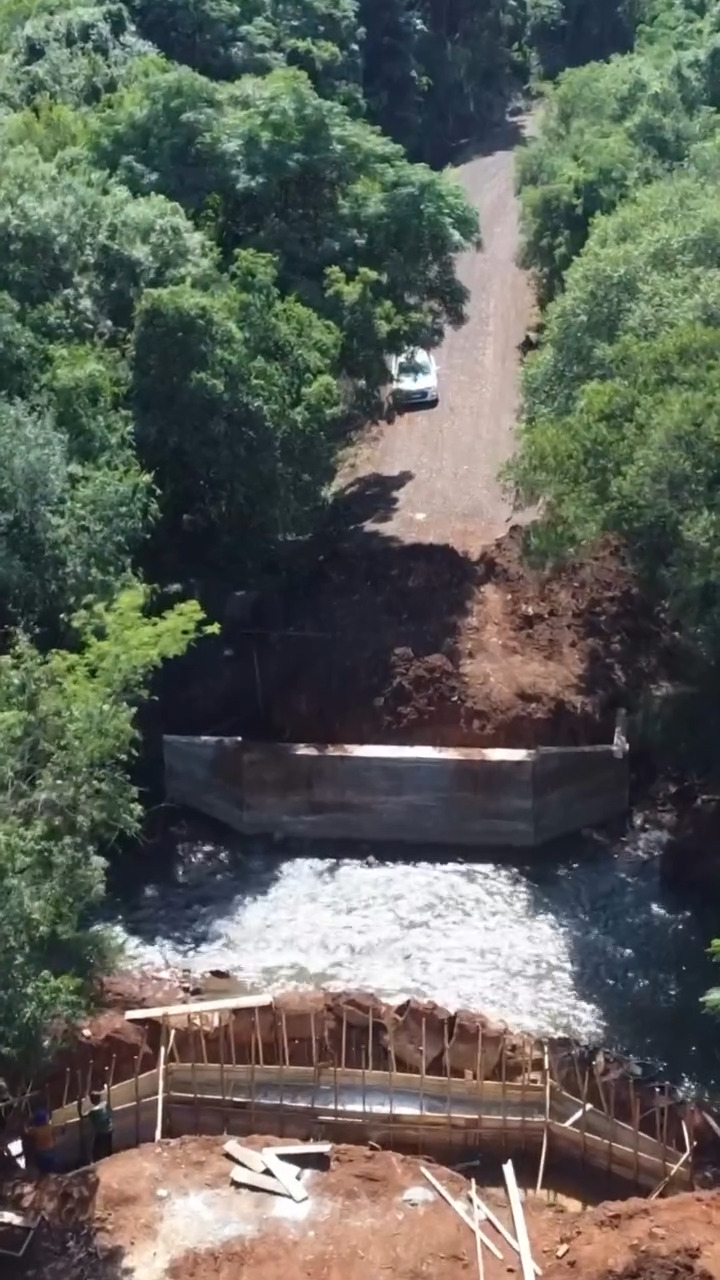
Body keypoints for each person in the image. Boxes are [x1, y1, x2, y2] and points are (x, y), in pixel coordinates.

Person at [78, 1090, 113, 1163]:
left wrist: (79, 1103)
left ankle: (96, 1164)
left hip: (101, 1132)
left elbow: (82, 1115)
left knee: (95, 1151)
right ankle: (111, 1162)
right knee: (108, 1148)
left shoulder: (93, 1111)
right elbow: (110, 1112)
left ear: (92, 1100)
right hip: (110, 1129)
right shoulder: (105, 1104)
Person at [26, 1108, 56, 1175]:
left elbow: (27, 1134)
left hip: (41, 1154)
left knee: (42, 1171)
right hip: (51, 1150)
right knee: (51, 1169)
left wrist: (27, 1125)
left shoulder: (34, 1130)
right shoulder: (49, 1127)